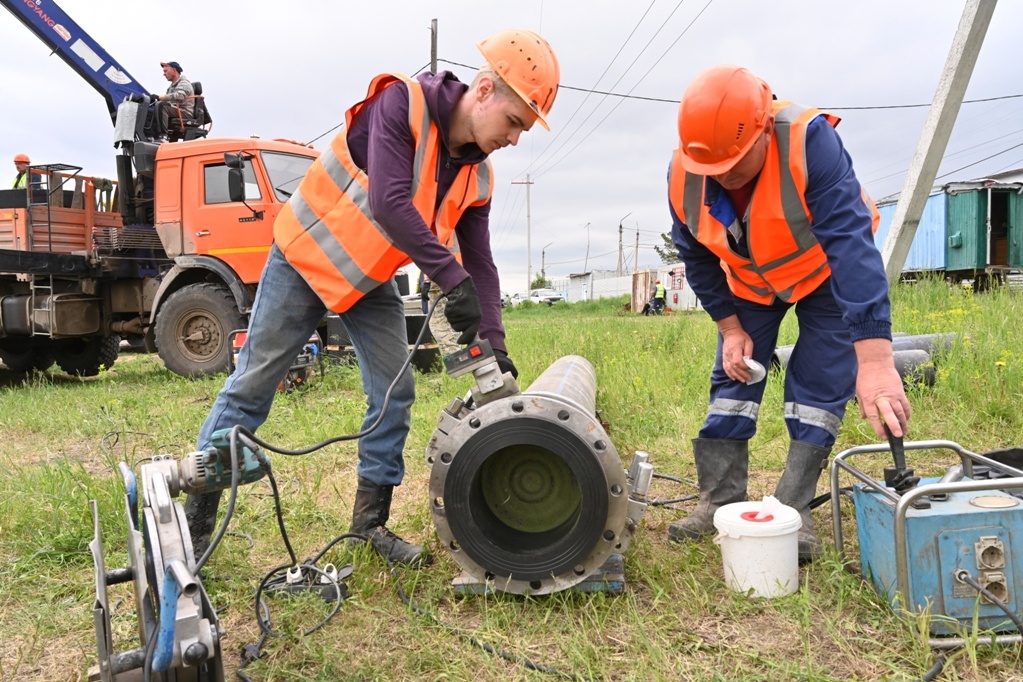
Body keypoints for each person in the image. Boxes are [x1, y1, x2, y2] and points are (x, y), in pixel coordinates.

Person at [185, 29, 560, 567]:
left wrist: (493, 344)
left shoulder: (478, 177)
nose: (515, 138)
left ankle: (369, 526)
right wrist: (449, 279)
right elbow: (388, 202)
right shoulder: (400, 103)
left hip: (367, 280)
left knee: (394, 391)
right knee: (252, 386)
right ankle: (196, 523)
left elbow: (481, 265)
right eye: (514, 122)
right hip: (304, 257)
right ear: (483, 90)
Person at [665, 65, 911, 561]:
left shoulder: (808, 142)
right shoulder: (686, 172)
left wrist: (878, 362)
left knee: (819, 384)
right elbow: (694, 254)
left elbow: (850, 246)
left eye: (734, 164)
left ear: (762, 129)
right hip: (752, 284)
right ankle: (719, 500)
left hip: (823, 273)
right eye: (713, 169)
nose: (723, 176)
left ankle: (795, 510)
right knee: (734, 379)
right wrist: (729, 327)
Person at [153, 61, 194, 141]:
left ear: (174, 70)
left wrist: (159, 97)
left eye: (165, 71)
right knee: (151, 110)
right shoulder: (171, 87)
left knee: (161, 106)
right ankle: (150, 136)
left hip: (184, 112)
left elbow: (179, 96)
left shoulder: (184, 83)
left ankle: (163, 136)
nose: (164, 74)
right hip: (175, 110)